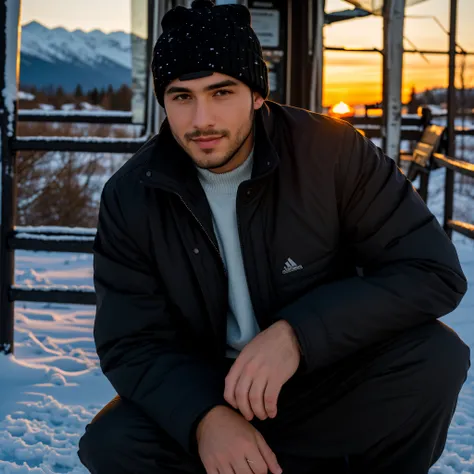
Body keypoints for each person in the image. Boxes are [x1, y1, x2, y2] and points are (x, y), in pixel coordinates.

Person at [78, 1, 471, 473]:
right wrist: (205, 418)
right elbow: (131, 340)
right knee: (112, 443)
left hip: (324, 373)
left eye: (221, 92)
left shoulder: (332, 153)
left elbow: (432, 272)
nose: (201, 119)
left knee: (436, 358)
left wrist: (298, 335)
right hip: (214, 387)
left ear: (258, 94)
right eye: (182, 96)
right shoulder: (132, 195)